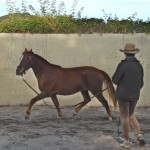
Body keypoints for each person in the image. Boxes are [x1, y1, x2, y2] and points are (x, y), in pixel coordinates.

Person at [112, 43, 146, 148]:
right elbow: (141, 83)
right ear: (134, 53)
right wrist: (134, 90)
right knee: (131, 114)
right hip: (135, 95)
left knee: (125, 117)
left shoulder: (122, 65)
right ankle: (139, 135)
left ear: (125, 53)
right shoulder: (139, 65)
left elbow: (115, 80)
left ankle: (126, 141)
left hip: (123, 96)